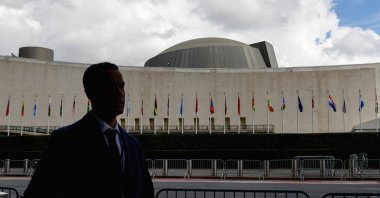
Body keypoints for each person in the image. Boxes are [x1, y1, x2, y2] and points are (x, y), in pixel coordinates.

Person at [24, 62, 154, 198]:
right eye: (110, 87)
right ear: (91, 93)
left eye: (121, 86)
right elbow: (38, 192)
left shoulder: (134, 145)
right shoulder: (65, 141)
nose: (119, 93)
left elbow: (145, 192)